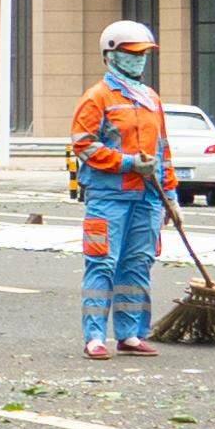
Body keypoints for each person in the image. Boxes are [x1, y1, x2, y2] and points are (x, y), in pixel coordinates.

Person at [70, 20, 173, 357]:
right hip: (109, 197)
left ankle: (130, 334)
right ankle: (95, 337)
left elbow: (163, 150)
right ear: (111, 55)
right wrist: (127, 162)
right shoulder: (97, 98)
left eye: (143, 54)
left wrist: (170, 196)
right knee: (102, 264)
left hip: (147, 198)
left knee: (138, 264)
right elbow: (83, 144)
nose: (139, 59)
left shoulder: (151, 99)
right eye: (132, 53)